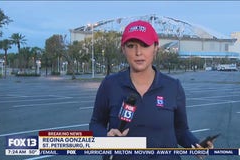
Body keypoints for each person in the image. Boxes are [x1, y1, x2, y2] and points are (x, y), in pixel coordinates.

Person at [89, 20, 213, 160]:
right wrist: (105, 138)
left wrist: (195, 145)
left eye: (145, 45)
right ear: (123, 49)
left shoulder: (173, 86)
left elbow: (180, 130)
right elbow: (96, 124)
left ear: (155, 48)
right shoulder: (110, 84)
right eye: (131, 46)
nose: (138, 52)